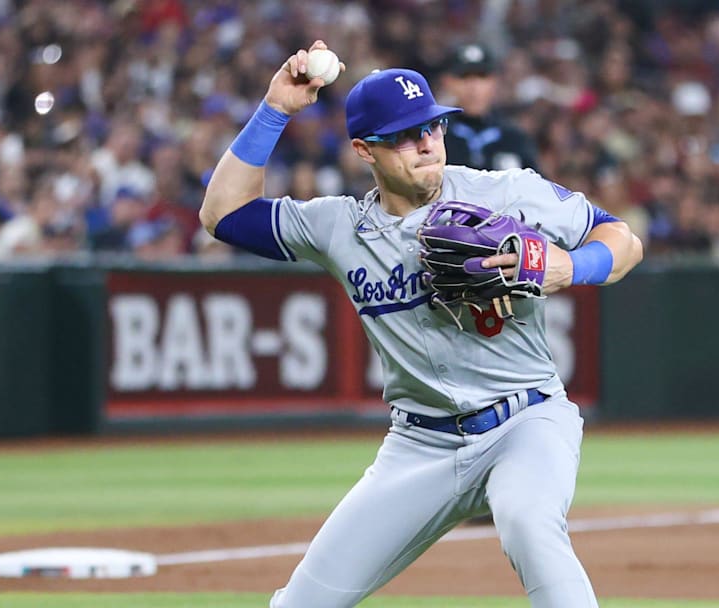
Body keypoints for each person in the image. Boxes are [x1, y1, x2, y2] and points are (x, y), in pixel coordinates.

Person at [199, 40, 643, 608]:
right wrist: (275, 110)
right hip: (419, 444)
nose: (426, 143)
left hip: (525, 420)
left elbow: (622, 239)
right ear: (364, 150)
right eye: (405, 136)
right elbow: (223, 217)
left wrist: (571, 266)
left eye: (431, 127)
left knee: (529, 523)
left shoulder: (502, 193)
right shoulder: (339, 227)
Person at [440, 42, 541, 172]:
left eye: (482, 76)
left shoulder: (513, 137)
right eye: (464, 77)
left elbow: (536, 186)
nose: (473, 87)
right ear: (448, 82)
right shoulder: (437, 136)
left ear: (495, 81)